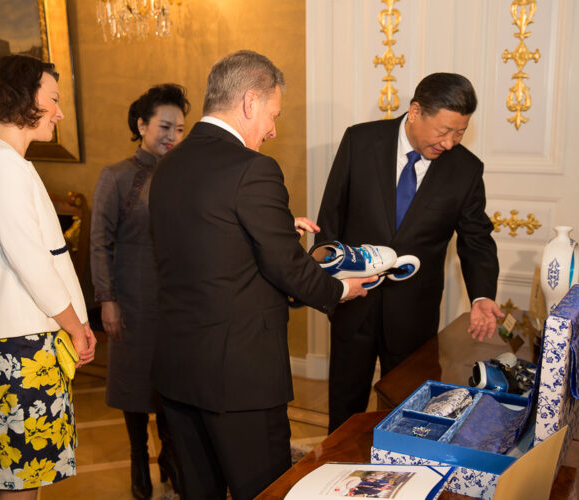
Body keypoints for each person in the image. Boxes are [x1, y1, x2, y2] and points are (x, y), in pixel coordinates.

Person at [149, 50, 375, 500]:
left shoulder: (169, 163)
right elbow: (286, 267)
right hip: (240, 376)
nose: (273, 129)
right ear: (250, 102)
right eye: (273, 114)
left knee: (200, 491)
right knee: (266, 490)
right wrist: (339, 289)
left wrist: (274, 227)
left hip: (178, 367)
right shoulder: (253, 168)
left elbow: (205, 241)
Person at [316, 72, 504, 433]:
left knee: (407, 407)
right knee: (345, 402)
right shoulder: (360, 141)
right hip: (354, 299)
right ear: (416, 112)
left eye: (460, 133)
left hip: (414, 311)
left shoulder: (465, 169)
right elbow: (331, 219)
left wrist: (482, 294)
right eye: (444, 131)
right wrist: (329, 286)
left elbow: (476, 239)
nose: (450, 143)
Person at [0, 54, 96, 499]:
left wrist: (74, 325)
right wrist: (76, 325)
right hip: (18, 349)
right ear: (24, 98)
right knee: (20, 484)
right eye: (53, 99)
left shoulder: (3, 161)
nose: (60, 112)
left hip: (23, 343)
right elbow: (32, 261)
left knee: (21, 479)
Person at [90, 84, 188, 500]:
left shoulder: (185, 173)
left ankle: (169, 457)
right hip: (130, 296)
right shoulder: (115, 176)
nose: (173, 136)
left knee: (172, 384)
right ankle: (137, 459)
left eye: (180, 129)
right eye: (165, 126)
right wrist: (107, 301)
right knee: (133, 386)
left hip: (177, 299)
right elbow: (98, 242)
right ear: (142, 125)